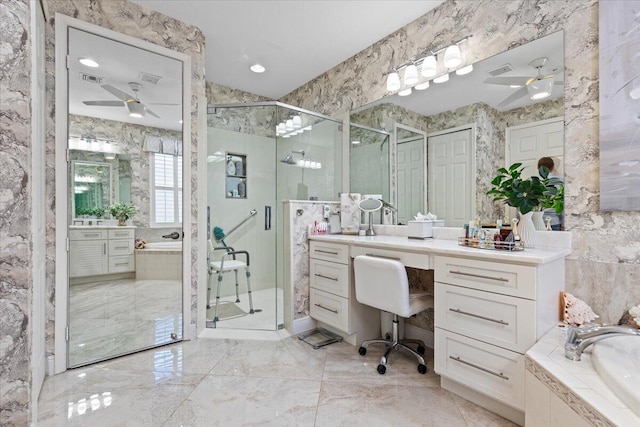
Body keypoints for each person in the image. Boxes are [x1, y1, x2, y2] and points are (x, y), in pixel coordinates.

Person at [537, 157, 564, 230]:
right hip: (554, 221)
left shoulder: (531, 181)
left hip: (535, 221)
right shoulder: (560, 182)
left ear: (538, 167)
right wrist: (564, 223)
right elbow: (563, 204)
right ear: (552, 167)